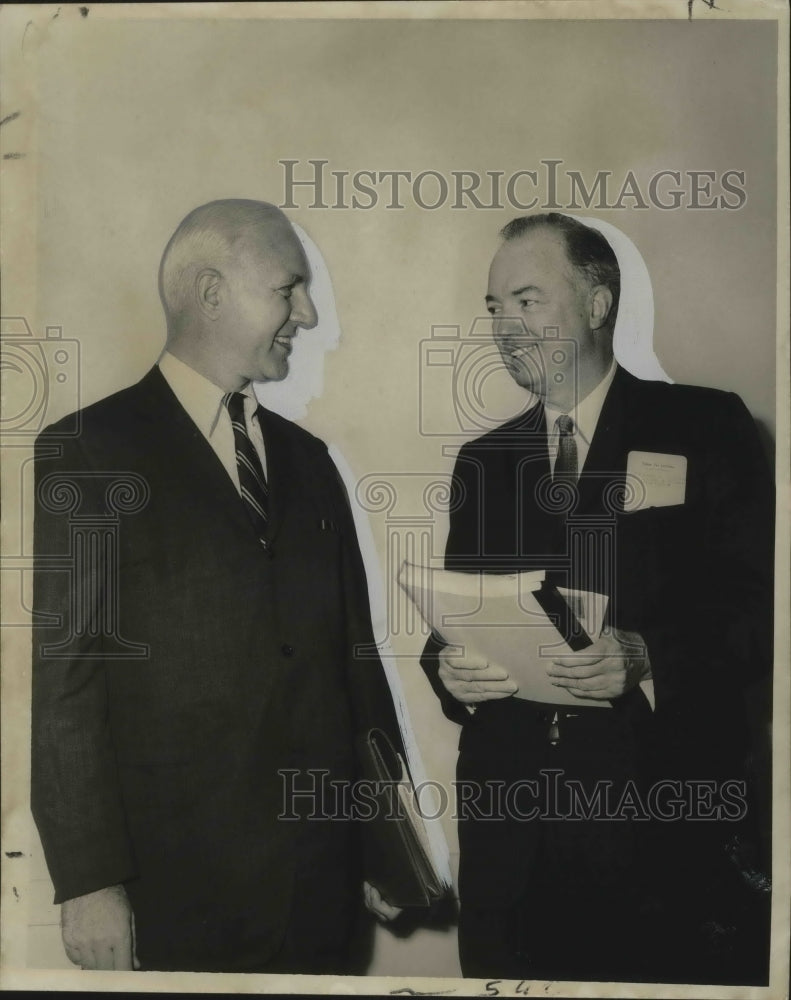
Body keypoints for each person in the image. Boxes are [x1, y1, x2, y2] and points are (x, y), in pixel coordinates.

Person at [31, 199, 402, 974]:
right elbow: (66, 682)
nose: (306, 312)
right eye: (288, 289)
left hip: (322, 883)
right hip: (176, 888)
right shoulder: (88, 449)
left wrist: (384, 838)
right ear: (210, 293)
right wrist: (89, 881)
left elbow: (355, 661)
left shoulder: (309, 461)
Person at [421, 213, 774, 984]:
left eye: (526, 300)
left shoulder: (705, 425)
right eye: (493, 309)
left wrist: (647, 654)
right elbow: (454, 623)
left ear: (598, 303)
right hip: (510, 851)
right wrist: (449, 669)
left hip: (658, 839)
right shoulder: (483, 462)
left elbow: (759, 614)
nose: (505, 328)